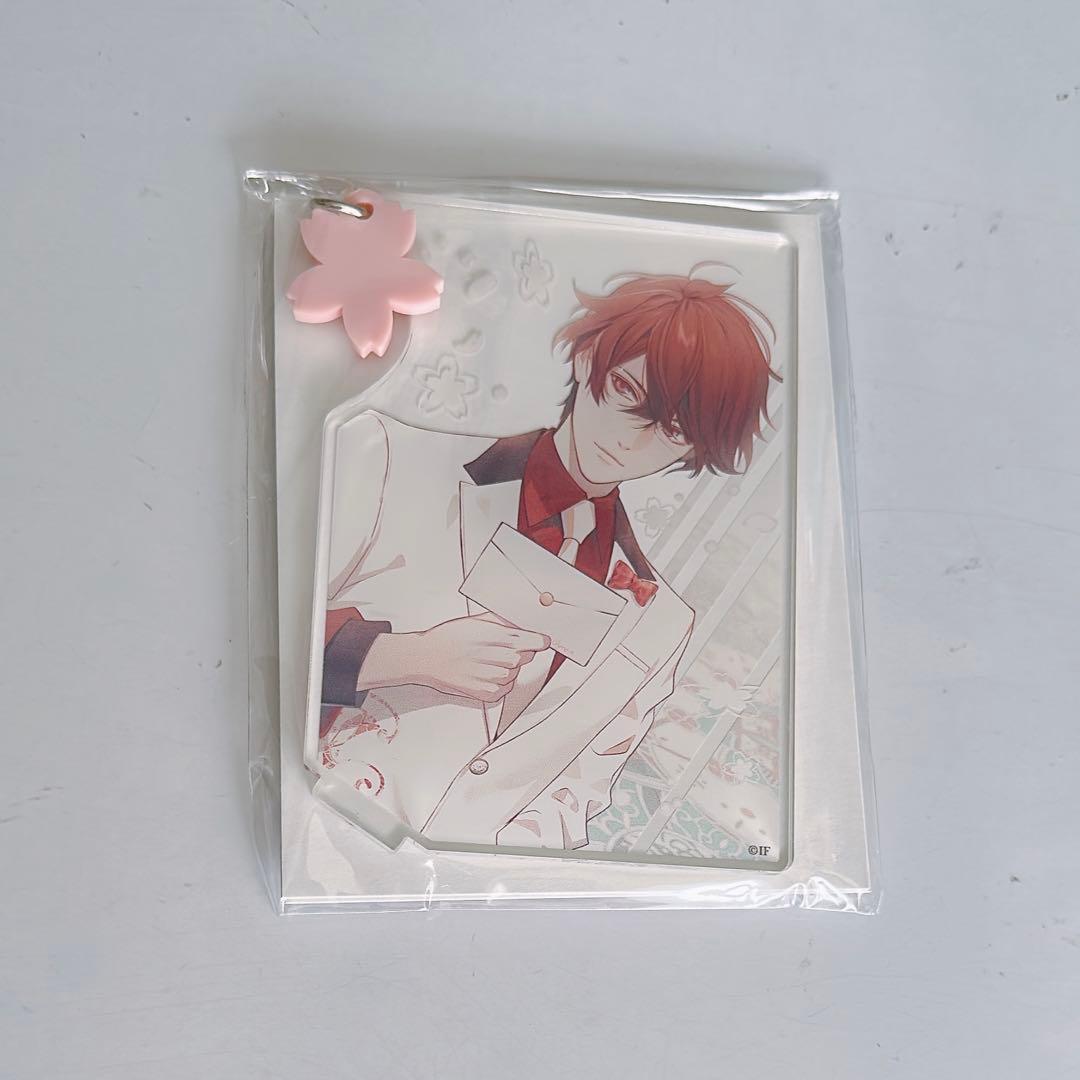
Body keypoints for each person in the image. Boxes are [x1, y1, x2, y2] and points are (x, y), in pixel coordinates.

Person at [316, 274, 779, 850]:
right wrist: (408, 655)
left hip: (471, 884)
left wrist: (498, 862)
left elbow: (580, 787)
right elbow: (274, 631)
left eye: (674, 429)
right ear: (587, 359)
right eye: (626, 390)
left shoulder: (661, 623)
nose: (631, 439)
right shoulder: (390, 458)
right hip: (320, 824)